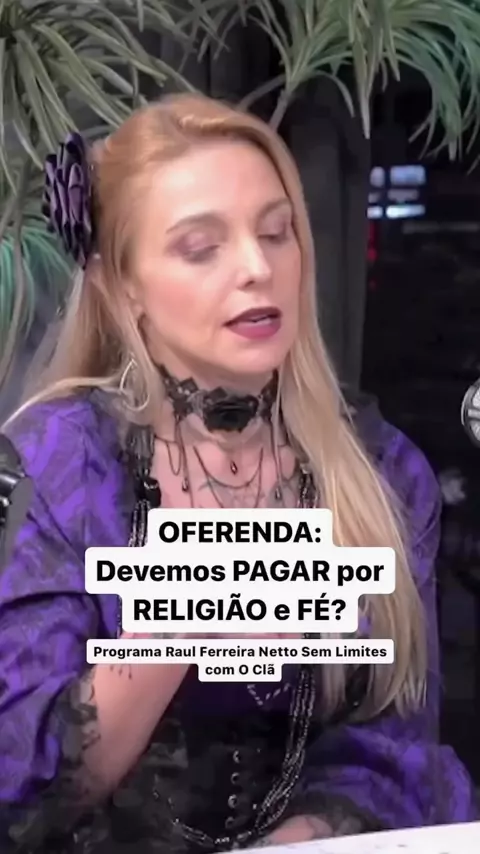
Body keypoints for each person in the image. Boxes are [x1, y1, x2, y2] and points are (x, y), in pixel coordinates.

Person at [0, 94, 476, 854]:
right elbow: (20, 789)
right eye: (201, 248)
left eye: (276, 233)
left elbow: (394, 748)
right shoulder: (53, 465)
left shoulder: (382, 471)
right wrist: (181, 615)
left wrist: (304, 839)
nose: (258, 269)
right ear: (123, 285)